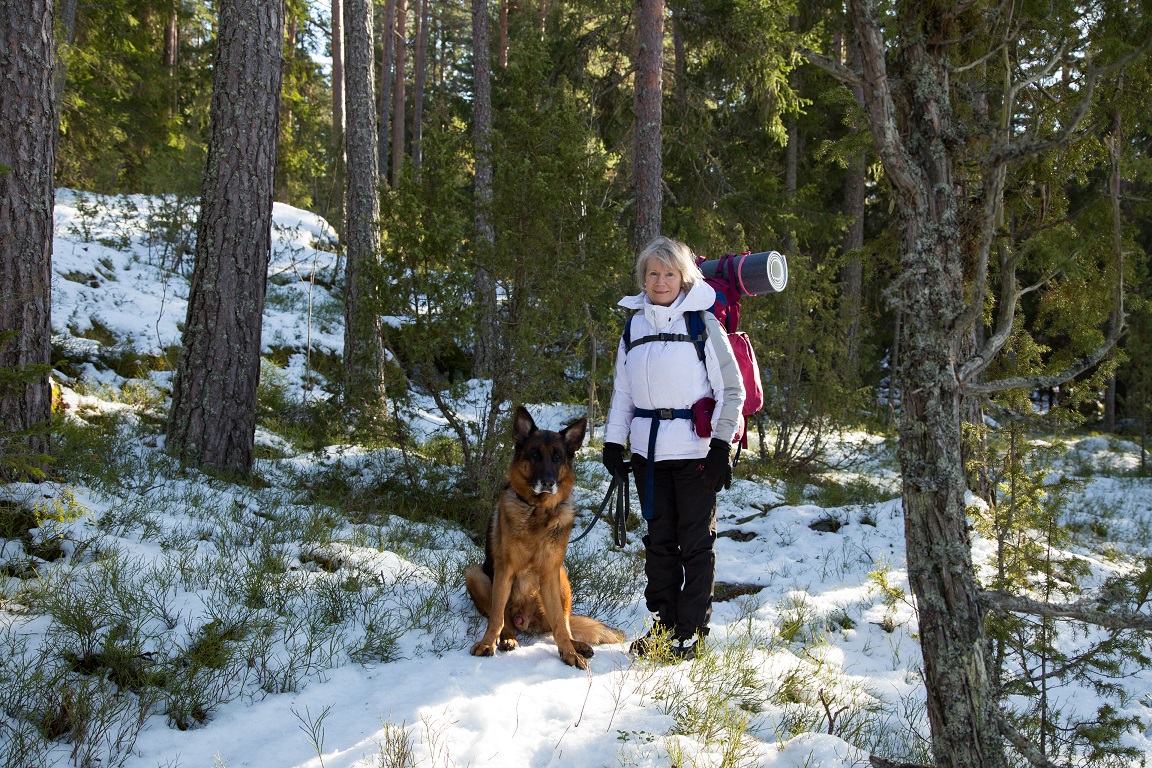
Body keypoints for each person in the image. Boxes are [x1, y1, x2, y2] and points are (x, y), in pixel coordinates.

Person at [601, 235, 745, 661]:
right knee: (660, 543)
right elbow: (622, 393)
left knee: (696, 544)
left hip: (697, 454)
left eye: (668, 273)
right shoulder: (634, 326)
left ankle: (692, 633)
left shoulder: (703, 323)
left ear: (684, 278)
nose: (660, 281)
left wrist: (720, 447)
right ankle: (664, 627)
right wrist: (614, 441)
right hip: (648, 456)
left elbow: (731, 391)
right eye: (652, 273)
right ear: (643, 278)